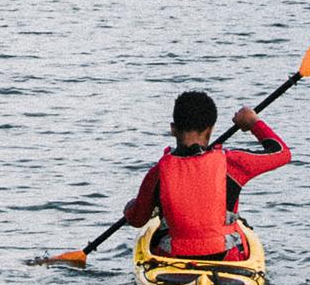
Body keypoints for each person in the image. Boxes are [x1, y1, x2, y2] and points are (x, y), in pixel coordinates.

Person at [120, 90, 289, 260]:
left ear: (173, 129)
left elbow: (137, 219)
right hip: (224, 257)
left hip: (174, 259)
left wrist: (130, 208)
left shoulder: (158, 172)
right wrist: (253, 123)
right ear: (210, 130)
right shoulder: (231, 163)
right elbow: (282, 153)